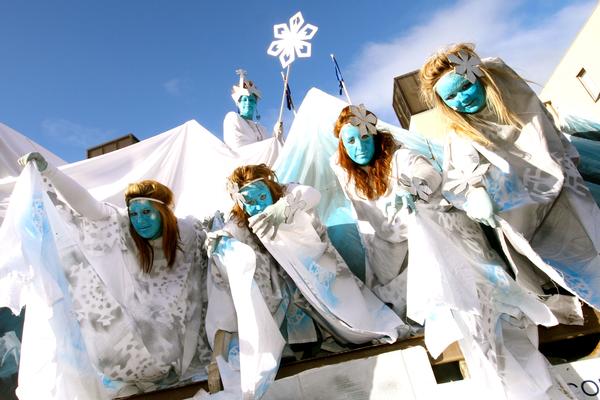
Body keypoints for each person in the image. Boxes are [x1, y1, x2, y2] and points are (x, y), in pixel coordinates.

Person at [329, 104, 562, 398]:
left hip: (434, 238)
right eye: (350, 140)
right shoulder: (346, 174)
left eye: (364, 137)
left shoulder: (400, 157)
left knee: (474, 309)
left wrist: (412, 188)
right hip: (390, 249)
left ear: (376, 136)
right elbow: (371, 221)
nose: (359, 146)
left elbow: (428, 173)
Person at [419, 43, 600, 316]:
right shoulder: (461, 136)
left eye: (464, 86)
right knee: (577, 267)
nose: (461, 99)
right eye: (450, 97)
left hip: (570, 196)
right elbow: (459, 178)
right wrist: (476, 192)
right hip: (529, 219)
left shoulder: (521, 105)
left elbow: (553, 138)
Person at [17, 152, 211, 395]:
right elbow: (91, 209)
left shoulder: (189, 230)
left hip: (187, 325)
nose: (139, 221)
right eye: (134, 214)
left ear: (163, 212)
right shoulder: (126, 228)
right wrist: (49, 172)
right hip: (149, 330)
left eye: (146, 212)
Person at [204, 163, 403, 398]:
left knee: (349, 317)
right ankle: (304, 347)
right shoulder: (242, 220)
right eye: (249, 201)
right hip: (285, 285)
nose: (258, 204)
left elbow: (310, 194)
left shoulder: (288, 193)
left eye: (261, 195)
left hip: (320, 271)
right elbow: (230, 234)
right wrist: (222, 242)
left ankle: (344, 335)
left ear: (271, 188)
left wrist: (284, 210)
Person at [223, 70, 284, 149]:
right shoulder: (233, 118)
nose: (248, 103)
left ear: (256, 104)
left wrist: (277, 136)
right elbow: (238, 147)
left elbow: (272, 150)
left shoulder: (262, 130)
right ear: (238, 103)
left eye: (251, 100)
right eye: (244, 100)